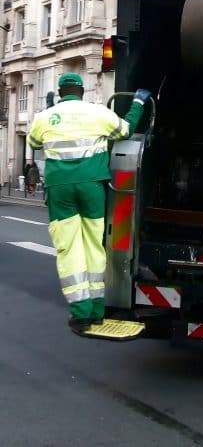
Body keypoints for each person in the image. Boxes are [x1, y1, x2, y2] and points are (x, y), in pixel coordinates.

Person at [27, 73, 151, 334]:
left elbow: (35, 142)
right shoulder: (96, 112)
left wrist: (50, 112)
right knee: (95, 244)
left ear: (60, 93)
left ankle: (80, 314)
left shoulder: (44, 117)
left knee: (69, 248)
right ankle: (96, 310)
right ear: (82, 91)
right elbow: (125, 130)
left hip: (60, 187)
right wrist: (138, 103)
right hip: (92, 185)